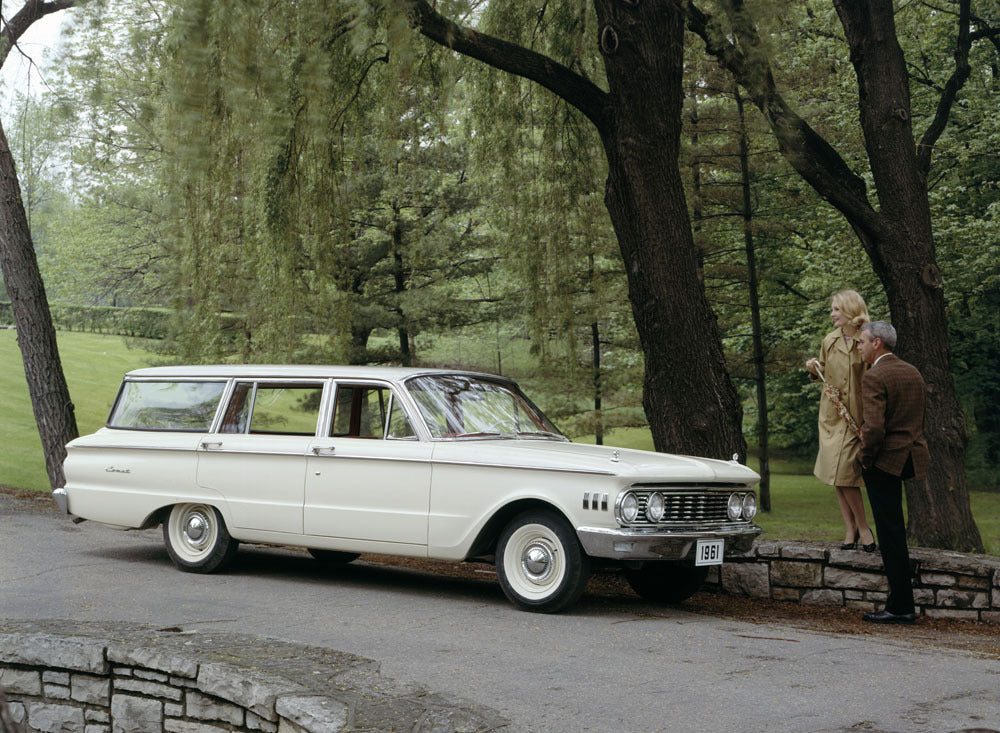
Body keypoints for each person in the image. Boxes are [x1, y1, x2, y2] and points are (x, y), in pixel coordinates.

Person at [855, 321, 930, 625]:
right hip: (912, 456)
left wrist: (864, 458)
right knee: (895, 530)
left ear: (877, 343)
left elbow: (873, 429)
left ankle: (900, 607)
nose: (858, 346)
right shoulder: (913, 372)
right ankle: (901, 603)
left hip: (885, 460)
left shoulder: (875, 376)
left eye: (861, 342)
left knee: (890, 534)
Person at [805, 289, 876, 552]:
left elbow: (872, 377)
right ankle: (850, 528)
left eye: (836, 309)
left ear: (849, 310)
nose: (832, 314)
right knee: (837, 474)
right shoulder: (829, 340)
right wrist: (815, 369)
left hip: (856, 417)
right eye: (832, 309)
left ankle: (864, 526)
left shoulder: (867, 339)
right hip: (832, 417)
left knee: (846, 473)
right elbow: (824, 371)